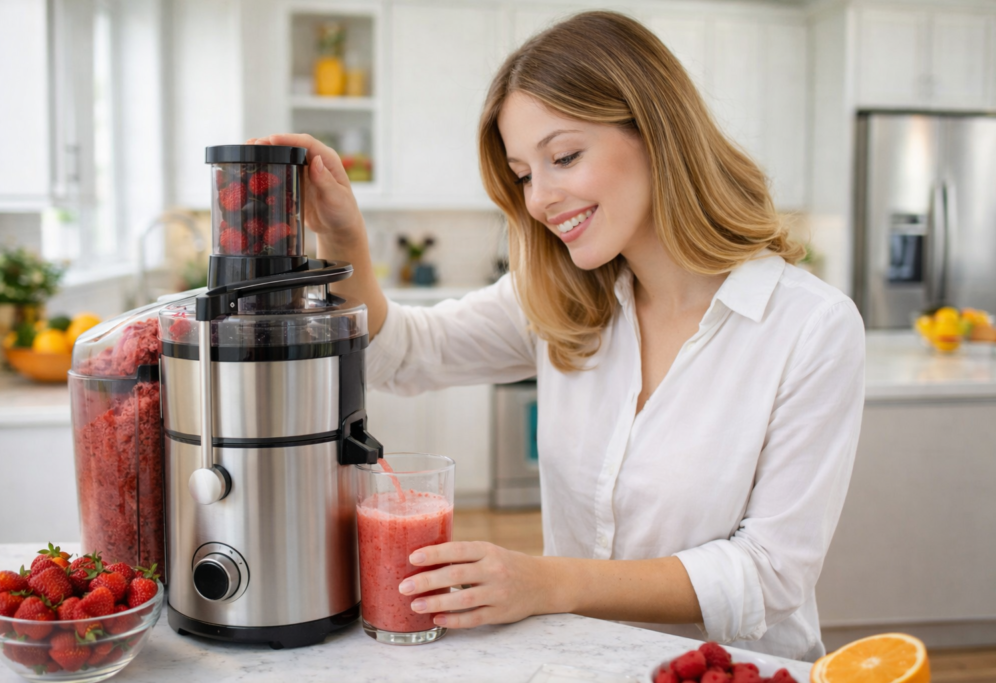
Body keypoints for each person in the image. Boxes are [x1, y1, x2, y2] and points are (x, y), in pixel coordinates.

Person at [249, 10, 864, 662]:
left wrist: (546, 582)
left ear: (657, 131)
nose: (539, 198)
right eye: (523, 174)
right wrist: (343, 238)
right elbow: (403, 353)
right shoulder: (560, 296)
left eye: (564, 157)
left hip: (733, 672)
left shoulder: (809, 326)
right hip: (583, 663)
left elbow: (770, 574)